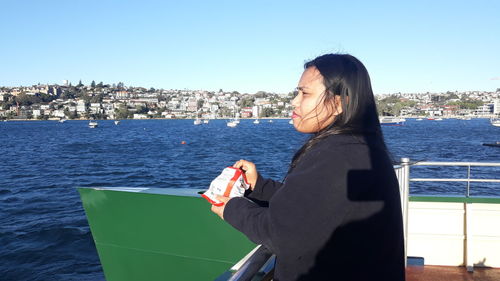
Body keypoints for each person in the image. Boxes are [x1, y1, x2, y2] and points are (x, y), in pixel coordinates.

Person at [210, 54, 405, 281]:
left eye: (305, 93)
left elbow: (282, 234)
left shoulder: (337, 154)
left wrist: (231, 207)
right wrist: (258, 187)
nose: (294, 101)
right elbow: (315, 207)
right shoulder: (356, 147)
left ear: (339, 103)